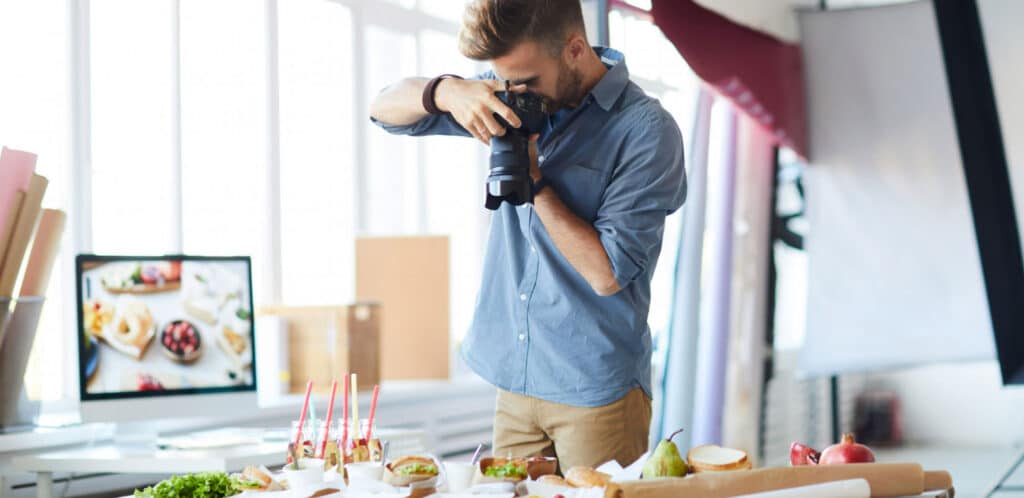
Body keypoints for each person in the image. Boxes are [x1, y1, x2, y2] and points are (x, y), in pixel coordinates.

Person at [369, 0, 686, 470]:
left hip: (594, 390)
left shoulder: (646, 131)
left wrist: (533, 181)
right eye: (505, 79)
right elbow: (382, 108)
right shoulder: (510, 91)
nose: (515, 92)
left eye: (527, 81)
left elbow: (607, 273)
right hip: (514, 381)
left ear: (575, 49)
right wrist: (448, 91)